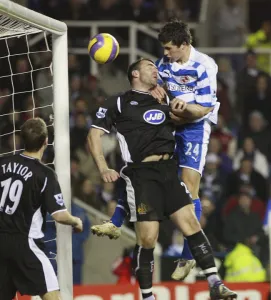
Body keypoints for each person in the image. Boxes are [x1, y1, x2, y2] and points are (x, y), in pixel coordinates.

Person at [89, 58, 237, 300]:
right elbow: (94, 134)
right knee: (148, 238)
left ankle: (214, 283)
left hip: (169, 169)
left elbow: (187, 117)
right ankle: (147, 296)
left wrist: (195, 105)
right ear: (135, 73)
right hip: (141, 174)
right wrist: (103, 166)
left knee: (191, 223)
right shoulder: (118, 101)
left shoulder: (163, 98)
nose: (156, 70)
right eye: (150, 66)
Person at [93, 19, 220, 281]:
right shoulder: (164, 65)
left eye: (169, 48)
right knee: (144, 167)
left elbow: (205, 108)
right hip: (171, 121)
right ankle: (116, 221)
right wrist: (156, 88)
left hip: (195, 127)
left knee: (189, 185)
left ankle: (187, 256)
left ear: (184, 45)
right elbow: (152, 80)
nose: (164, 54)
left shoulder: (205, 65)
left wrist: (183, 107)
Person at [0, 118, 83, 300]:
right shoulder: (45, 174)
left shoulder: (2, 162)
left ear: (22, 139)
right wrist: (76, 221)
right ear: (46, 141)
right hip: (25, 243)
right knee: (53, 296)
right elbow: (59, 215)